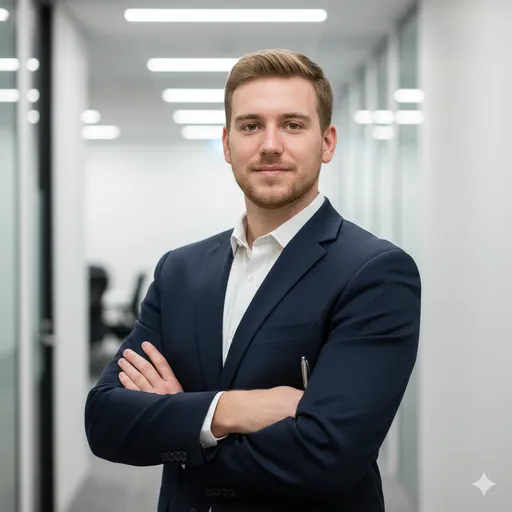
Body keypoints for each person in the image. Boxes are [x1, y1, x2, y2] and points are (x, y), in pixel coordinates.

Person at [85, 49, 421, 512]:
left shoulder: (375, 272)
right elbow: (105, 421)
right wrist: (231, 410)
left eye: (293, 124)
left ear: (327, 142)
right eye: (250, 126)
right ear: (227, 144)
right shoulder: (180, 271)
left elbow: (327, 457)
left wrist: (180, 420)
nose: (270, 144)